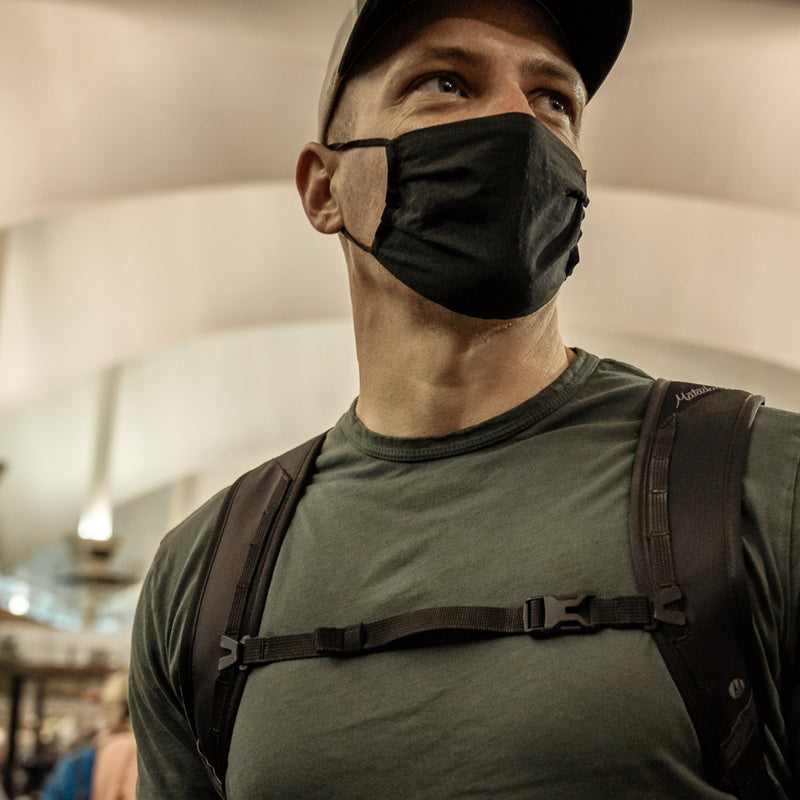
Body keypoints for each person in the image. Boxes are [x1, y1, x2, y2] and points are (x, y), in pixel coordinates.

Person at [129, 1, 799, 798]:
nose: (520, 122)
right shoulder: (204, 577)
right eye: (446, 82)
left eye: (556, 100)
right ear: (323, 187)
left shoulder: (760, 485)